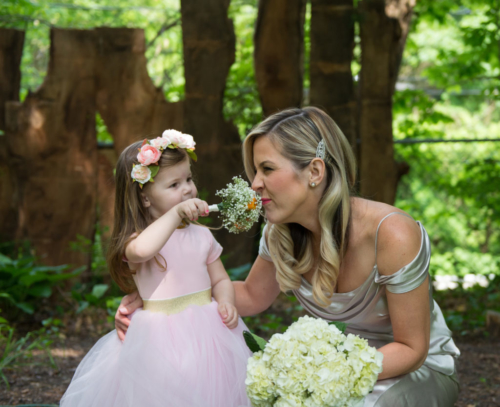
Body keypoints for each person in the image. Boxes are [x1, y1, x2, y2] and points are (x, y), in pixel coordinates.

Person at [116, 108, 461, 406]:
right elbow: (250, 296)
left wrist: (321, 374)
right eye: (254, 171)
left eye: (267, 169)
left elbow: (412, 349)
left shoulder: (393, 233)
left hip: (411, 371)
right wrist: (162, 301)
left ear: (314, 171)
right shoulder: (278, 233)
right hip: (329, 373)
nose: (255, 184)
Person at [61, 131, 252, 407]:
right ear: (145, 199)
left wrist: (226, 302)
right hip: (157, 339)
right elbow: (141, 252)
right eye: (174, 184)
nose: (187, 189)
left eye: (188, 179)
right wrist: (175, 215)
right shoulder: (138, 240)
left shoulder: (201, 235)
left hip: (208, 333)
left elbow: (221, 278)